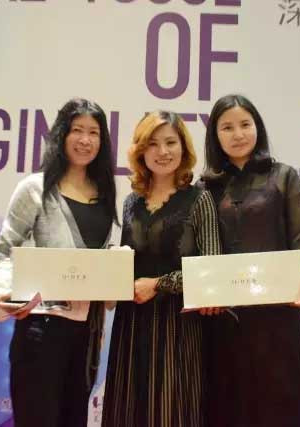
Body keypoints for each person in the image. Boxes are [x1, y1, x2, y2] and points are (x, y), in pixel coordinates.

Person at [0, 98, 119, 427]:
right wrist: (2, 292)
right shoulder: (35, 188)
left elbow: (98, 263)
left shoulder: (104, 195)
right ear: (61, 134)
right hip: (40, 329)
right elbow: (5, 247)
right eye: (77, 130)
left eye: (94, 132)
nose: (85, 140)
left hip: (87, 335)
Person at [201, 94, 300, 427]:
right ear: (215, 135)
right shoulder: (206, 187)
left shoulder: (283, 177)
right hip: (225, 321)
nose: (238, 134)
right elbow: (202, 253)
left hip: (277, 318)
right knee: (227, 409)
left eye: (245, 124)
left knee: (279, 406)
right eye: (227, 127)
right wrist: (203, 291)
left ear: (258, 127)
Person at [102, 111, 221, 427]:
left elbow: (212, 272)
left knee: (171, 412)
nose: (163, 151)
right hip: (131, 325)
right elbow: (126, 261)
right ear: (141, 150)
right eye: (153, 144)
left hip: (177, 329)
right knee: (127, 411)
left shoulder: (199, 199)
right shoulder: (131, 202)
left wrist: (158, 284)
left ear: (184, 147)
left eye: (171, 142)